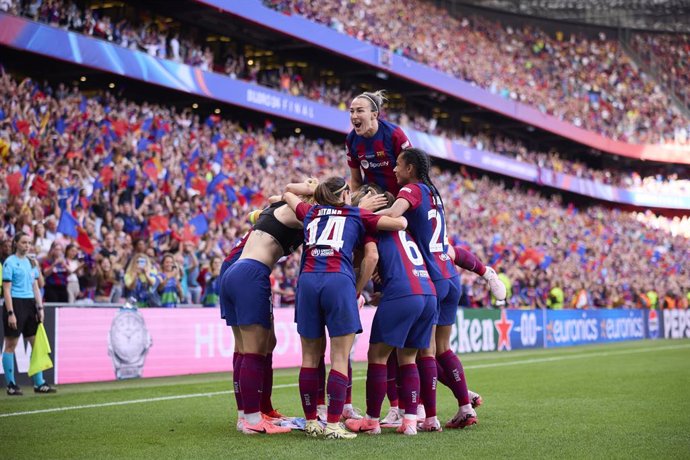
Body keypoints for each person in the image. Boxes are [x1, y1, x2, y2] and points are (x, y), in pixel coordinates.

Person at [282, 176, 408, 440]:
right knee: (339, 357)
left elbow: (287, 194)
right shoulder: (357, 214)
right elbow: (401, 222)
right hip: (338, 281)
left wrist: (308, 189)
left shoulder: (311, 211)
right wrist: (371, 210)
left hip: (307, 281)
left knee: (309, 357)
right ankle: (332, 425)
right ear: (344, 195)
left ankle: (311, 422)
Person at [377, 147, 478, 429]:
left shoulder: (412, 190)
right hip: (449, 275)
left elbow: (393, 216)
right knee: (443, 349)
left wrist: (358, 214)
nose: (394, 170)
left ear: (410, 169)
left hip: (428, 277)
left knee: (422, 352)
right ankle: (465, 406)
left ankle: (426, 415)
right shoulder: (434, 193)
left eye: (398, 164)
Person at [219, 181, 315, 436]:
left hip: (237, 270)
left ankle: (252, 412)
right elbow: (289, 194)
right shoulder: (294, 210)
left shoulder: (280, 209)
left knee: (257, 345)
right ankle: (251, 419)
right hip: (251, 273)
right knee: (254, 348)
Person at [345, 190, 436, 436]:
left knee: (377, 355)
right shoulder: (405, 231)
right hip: (428, 292)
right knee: (407, 358)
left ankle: (371, 421)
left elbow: (371, 257)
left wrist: (356, 290)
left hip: (402, 294)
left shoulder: (372, 224)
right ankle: (409, 422)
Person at [2, 232, 56, 395]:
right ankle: (11, 385)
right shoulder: (9, 262)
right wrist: (11, 312)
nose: (27, 245)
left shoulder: (32, 263)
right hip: (16, 303)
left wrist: (40, 308)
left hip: (30, 304)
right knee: (11, 344)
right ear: (16, 243)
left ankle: (39, 383)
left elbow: (35, 287)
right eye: (24, 242)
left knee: (36, 344)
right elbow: (6, 289)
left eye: (29, 243)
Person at [346, 90, 411, 194]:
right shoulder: (351, 140)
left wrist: (404, 201)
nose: (354, 116)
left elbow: (412, 172)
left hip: (400, 197)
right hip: (373, 199)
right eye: (352, 111)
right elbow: (356, 180)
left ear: (374, 115)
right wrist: (357, 207)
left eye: (359, 111)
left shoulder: (394, 134)